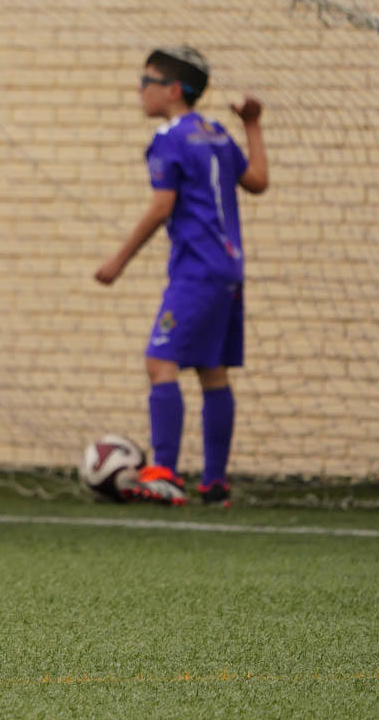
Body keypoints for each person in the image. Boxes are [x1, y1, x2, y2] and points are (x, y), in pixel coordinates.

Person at [95, 46, 268, 508]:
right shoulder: (216, 133)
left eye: (145, 80)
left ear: (172, 90)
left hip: (196, 269)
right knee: (212, 371)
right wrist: (252, 123)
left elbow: (161, 206)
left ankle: (165, 473)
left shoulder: (169, 137)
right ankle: (214, 483)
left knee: (160, 361)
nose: (139, 89)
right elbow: (257, 180)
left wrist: (118, 260)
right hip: (230, 268)